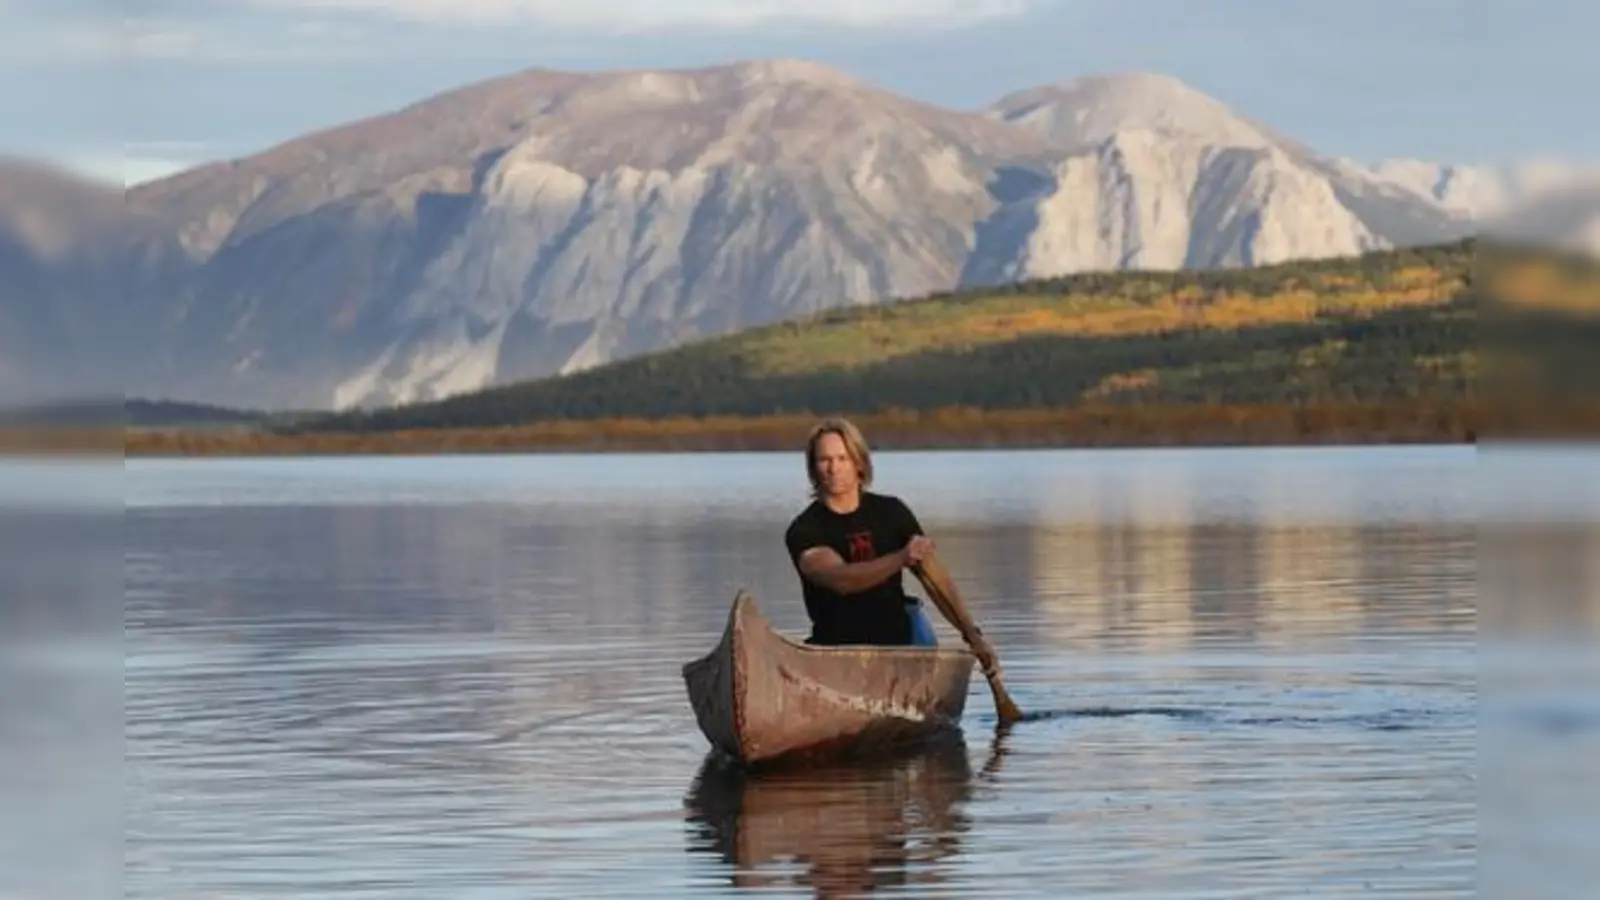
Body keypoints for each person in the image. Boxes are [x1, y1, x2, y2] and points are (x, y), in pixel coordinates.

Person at [782, 417, 941, 647]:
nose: (833, 468)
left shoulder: (892, 511)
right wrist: (900, 558)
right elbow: (841, 580)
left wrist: (970, 633)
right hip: (836, 651)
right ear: (813, 468)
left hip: (898, 647)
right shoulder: (804, 529)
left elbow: (934, 578)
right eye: (824, 460)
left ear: (859, 463)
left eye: (842, 458)